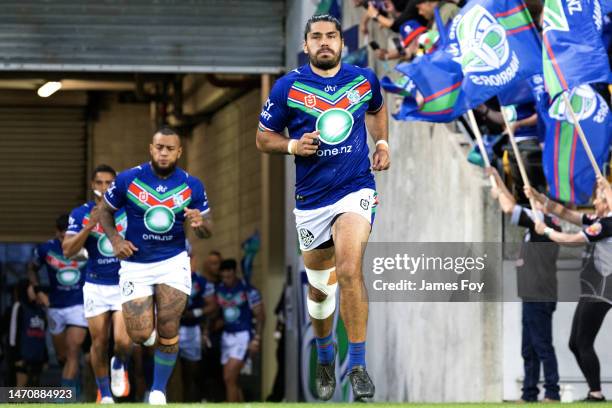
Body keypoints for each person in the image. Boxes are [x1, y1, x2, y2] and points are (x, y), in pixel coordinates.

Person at [256, 14, 390, 401]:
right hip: (311, 200)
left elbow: (377, 108)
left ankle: (359, 365)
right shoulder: (287, 87)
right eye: (317, 37)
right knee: (319, 290)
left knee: (349, 270)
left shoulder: (363, 79)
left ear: (341, 43)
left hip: (355, 189)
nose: (325, 42)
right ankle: (326, 354)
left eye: (331, 36)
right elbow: (264, 138)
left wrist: (381, 144)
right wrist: (293, 146)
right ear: (306, 45)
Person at [98, 126, 213, 405]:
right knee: (138, 334)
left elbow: (206, 229)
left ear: (179, 152)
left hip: (172, 262)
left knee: (169, 326)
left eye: (169, 148)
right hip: (135, 263)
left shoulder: (192, 185)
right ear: (151, 148)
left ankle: (158, 390)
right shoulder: (128, 179)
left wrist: (199, 225)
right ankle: (118, 361)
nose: (164, 153)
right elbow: (104, 211)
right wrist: (115, 240)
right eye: (159, 147)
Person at [530, 177, 612, 402]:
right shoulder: (598, 220)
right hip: (591, 290)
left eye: (599, 197)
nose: (595, 201)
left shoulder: (606, 225)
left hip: (600, 290)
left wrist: (545, 230)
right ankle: (594, 391)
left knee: (583, 342)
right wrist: (541, 198)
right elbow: (565, 213)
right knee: (575, 343)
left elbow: (569, 240)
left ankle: (596, 394)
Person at [488, 168, 561, 402]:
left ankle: (552, 392)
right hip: (530, 294)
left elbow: (509, 208)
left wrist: (498, 188)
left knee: (542, 345)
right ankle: (529, 393)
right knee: (528, 347)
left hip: (540, 294)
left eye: (536, 202)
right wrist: (498, 180)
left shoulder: (546, 225)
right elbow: (512, 207)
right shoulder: (535, 226)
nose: (532, 206)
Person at [63, 164, 132, 403]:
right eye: (99, 183)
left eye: (109, 184)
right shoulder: (81, 213)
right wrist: (89, 226)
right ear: (93, 186)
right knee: (99, 342)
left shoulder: (127, 209)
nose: (104, 188)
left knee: (123, 341)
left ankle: (119, 362)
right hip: (95, 285)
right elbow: (68, 250)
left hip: (124, 283)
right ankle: (105, 394)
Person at [28, 214, 88, 394]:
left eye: (69, 235)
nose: (66, 240)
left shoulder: (86, 246)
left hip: (80, 304)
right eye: (62, 236)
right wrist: (37, 289)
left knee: (72, 351)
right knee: (63, 356)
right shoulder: (45, 248)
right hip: (55, 306)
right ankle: (74, 384)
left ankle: (65, 397)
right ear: (57, 233)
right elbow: (31, 268)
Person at [215, 259, 264, 402]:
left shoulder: (248, 290)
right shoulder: (220, 289)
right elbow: (219, 312)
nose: (226, 280)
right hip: (226, 336)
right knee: (232, 381)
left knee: (229, 377)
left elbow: (261, 316)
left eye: (228, 277)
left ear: (234, 273)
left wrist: (257, 338)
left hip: (243, 336)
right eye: (223, 277)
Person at [179, 252, 216, 402]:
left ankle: (193, 399)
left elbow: (212, 305)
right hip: (173, 327)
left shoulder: (201, 281)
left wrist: (195, 312)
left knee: (193, 370)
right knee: (174, 369)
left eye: (190, 259)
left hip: (192, 328)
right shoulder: (172, 277)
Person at [8, 279, 48, 387]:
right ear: (25, 289)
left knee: (34, 390)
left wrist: (45, 358)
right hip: (23, 357)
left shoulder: (40, 311)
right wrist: (16, 357)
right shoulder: (19, 307)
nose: (35, 291)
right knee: (20, 389)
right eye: (32, 288)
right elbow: (13, 333)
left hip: (37, 357)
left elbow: (42, 336)